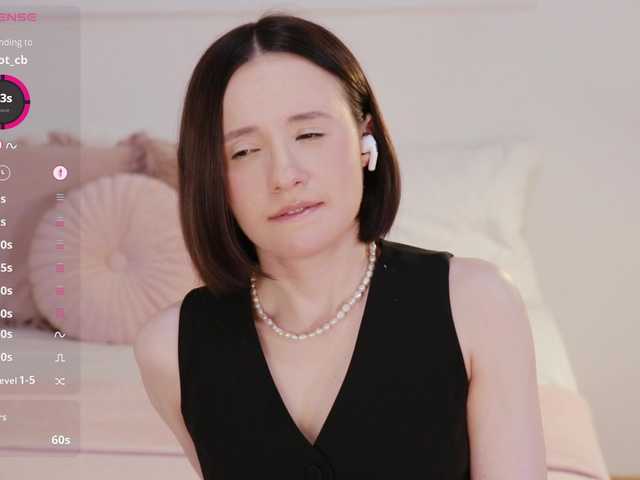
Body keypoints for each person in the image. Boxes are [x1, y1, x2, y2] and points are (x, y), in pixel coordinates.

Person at [134, 12, 546, 480]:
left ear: (365, 139)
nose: (284, 175)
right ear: (213, 177)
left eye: (309, 134)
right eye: (244, 151)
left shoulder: (477, 304)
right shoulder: (168, 349)